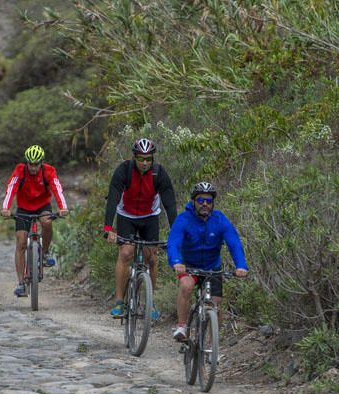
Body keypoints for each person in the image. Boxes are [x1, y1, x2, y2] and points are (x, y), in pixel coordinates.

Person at [103, 138, 178, 320]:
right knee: (126, 252)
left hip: (150, 217)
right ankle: (120, 302)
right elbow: (113, 198)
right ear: (134, 157)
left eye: (149, 159)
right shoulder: (124, 171)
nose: (145, 163)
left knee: (151, 257)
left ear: (153, 159)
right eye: (141, 159)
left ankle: (150, 303)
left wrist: (175, 233)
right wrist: (108, 228)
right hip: (126, 216)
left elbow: (169, 205)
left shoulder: (159, 174)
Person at [167, 181, 248, 342]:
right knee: (186, 286)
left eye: (209, 201)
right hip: (190, 266)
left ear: (213, 203)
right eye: (201, 200)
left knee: (215, 304)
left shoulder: (220, 219)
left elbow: (234, 243)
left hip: (212, 267)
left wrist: (241, 265)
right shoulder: (184, 219)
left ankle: (213, 344)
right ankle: (182, 326)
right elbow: (173, 242)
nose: (205, 204)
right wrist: (176, 262)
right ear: (193, 202)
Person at [0, 145, 69, 297]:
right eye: (30, 164)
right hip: (24, 208)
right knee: (21, 242)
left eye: (36, 164)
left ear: (41, 163)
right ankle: (21, 283)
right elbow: (11, 188)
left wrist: (63, 207)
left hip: (42, 205)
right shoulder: (20, 170)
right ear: (26, 163)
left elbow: (57, 188)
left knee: (47, 222)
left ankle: (45, 253)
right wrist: (6, 207)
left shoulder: (49, 171)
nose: (33, 167)